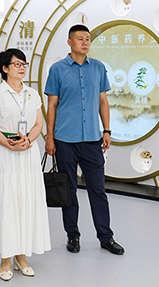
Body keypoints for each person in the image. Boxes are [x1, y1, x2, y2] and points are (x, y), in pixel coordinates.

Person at [44, 24, 124, 255]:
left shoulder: (98, 68)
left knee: (98, 190)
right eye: (80, 39)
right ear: (70, 42)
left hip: (92, 140)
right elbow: (52, 105)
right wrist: (50, 138)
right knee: (68, 191)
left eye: (87, 38)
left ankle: (106, 237)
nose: (85, 42)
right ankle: (73, 235)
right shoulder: (57, 69)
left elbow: (103, 102)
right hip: (64, 140)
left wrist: (107, 130)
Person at [0, 49, 51, 279]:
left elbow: (38, 124)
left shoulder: (32, 94)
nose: (22, 67)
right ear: (5, 68)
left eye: (23, 63)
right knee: (6, 201)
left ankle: (21, 255)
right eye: (16, 64)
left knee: (25, 200)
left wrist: (29, 140)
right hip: (3, 152)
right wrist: (9, 144)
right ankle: (5, 259)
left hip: (27, 152)